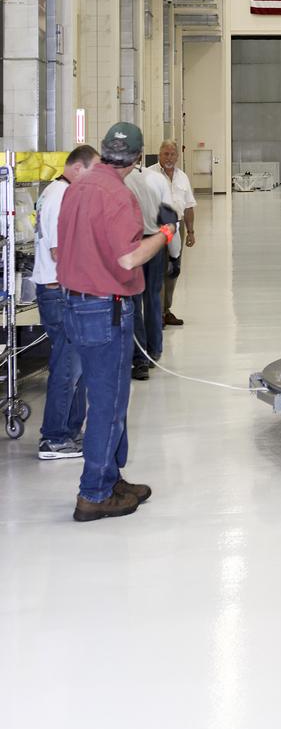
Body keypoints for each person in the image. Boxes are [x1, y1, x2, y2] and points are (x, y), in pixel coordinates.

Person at [57, 122, 177, 522]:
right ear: (138, 158)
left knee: (100, 397)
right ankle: (93, 493)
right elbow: (128, 258)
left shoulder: (77, 187)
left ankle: (109, 477)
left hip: (73, 305)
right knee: (109, 404)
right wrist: (164, 233)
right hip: (105, 309)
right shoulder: (118, 195)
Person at [32, 145, 100, 460]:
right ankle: (54, 438)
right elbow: (60, 252)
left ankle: (70, 432)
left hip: (59, 290)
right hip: (59, 293)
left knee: (76, 366)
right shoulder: (61, 196)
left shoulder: (55, 192)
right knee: (68, 368)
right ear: (77, 168)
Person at [125, 159, 175, 381]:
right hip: (156, 244)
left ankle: (140, 358)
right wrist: (173, 251)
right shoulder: (157, 179)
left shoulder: (120, 180)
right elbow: (171, 218)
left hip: (133, 245)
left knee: (134, 302)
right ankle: (155, 350)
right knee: (153, 298)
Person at [148, 140, 196, 327]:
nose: (168, 158)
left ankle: (166, 310)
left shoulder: (182, 177)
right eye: (165, 154)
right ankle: (157, 313)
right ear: (159, 154)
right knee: (158, 269)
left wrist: (191, 231)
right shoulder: (149, 174)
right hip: (156, 227)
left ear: (177, 156)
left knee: (173, 269)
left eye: (172, 154)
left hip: (178, 225)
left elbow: (189, 206)